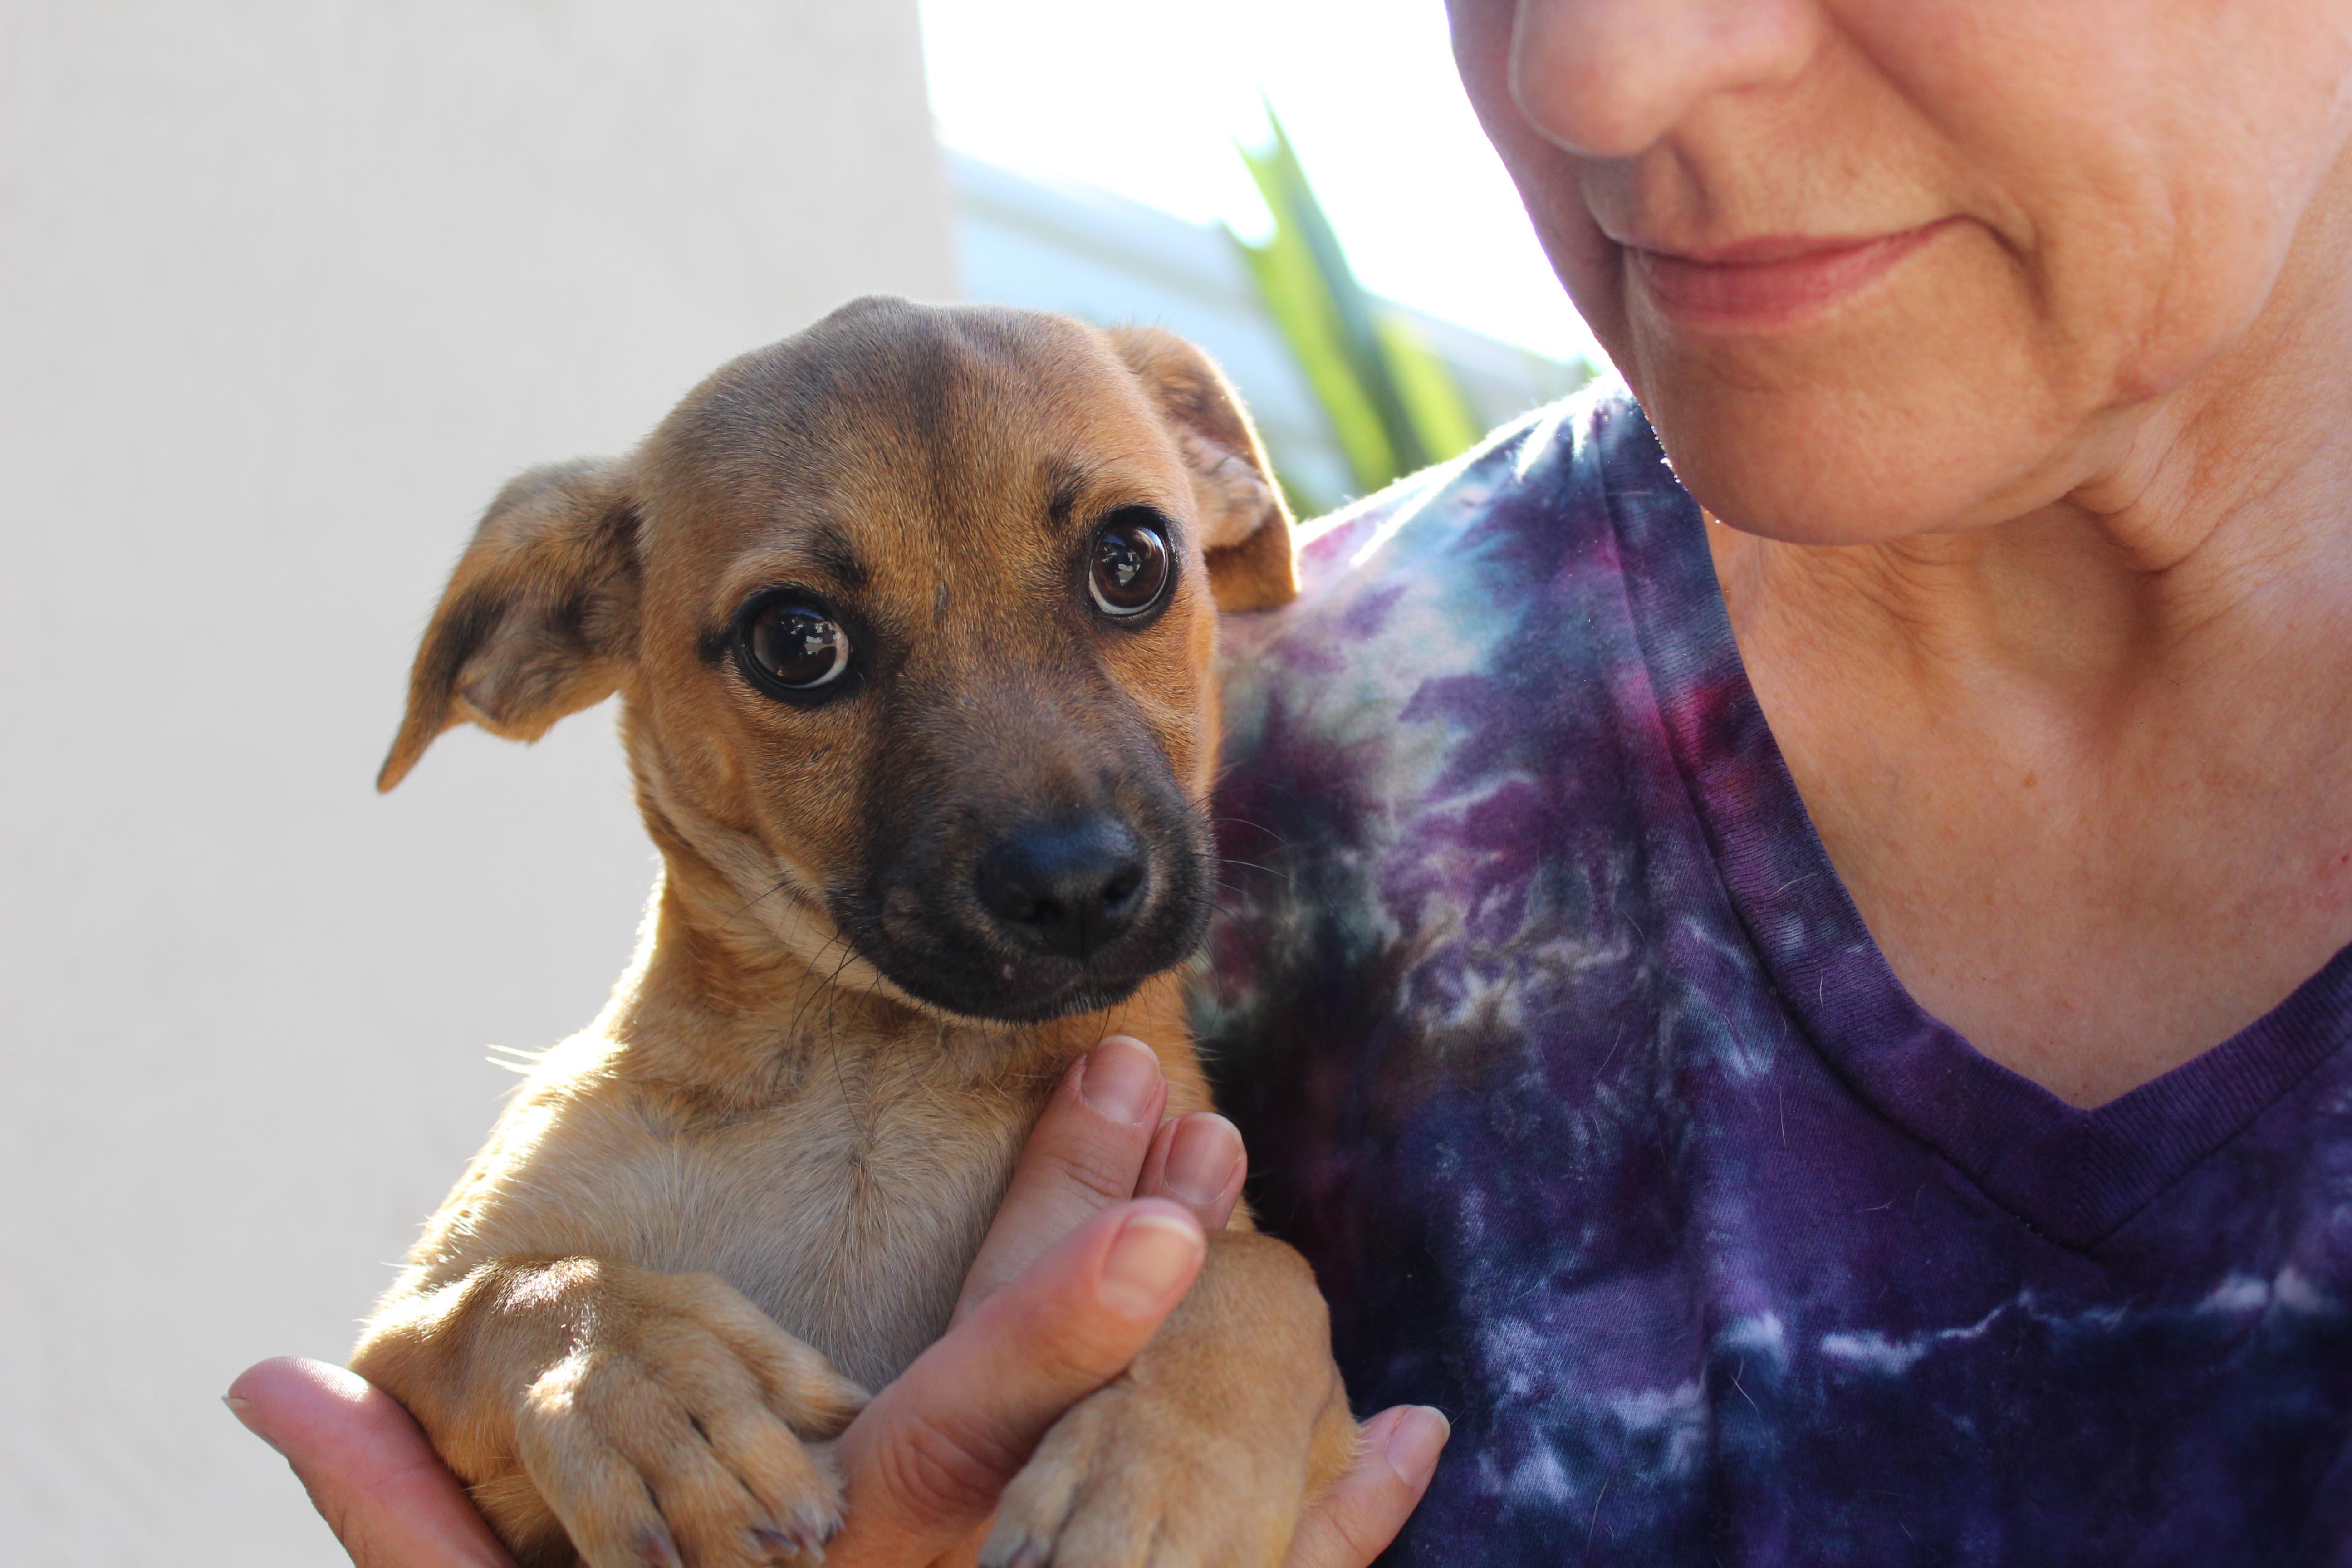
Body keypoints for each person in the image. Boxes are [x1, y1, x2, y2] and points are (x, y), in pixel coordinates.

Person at [236, 0, 2352, 1560]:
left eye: (1124, 573)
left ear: (1199, 511)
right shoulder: (1308, 737)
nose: (1587, 75)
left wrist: (1231, 1368)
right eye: (809, 646)